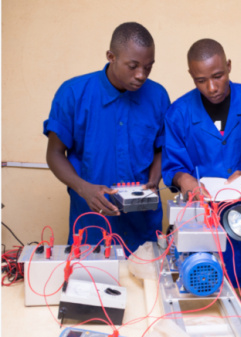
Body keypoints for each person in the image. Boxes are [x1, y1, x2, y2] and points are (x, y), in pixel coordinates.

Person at [161, 38, 241, 333]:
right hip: (203, 229)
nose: (211, 87)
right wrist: (185, 180)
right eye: (201, 80)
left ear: (229, 67)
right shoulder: (179, 113)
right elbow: (172, 166)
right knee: (209, 320)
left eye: (218, 76)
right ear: (191, 77)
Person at [44, 22, 169, 253]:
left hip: (142, 225)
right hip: (92, 225)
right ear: (111, 56)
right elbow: (53, 154)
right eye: (132, 66)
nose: (141, 75)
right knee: (92, 283)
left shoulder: (158, 96)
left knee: (145, 285)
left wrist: (154, 179)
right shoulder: (73, 93)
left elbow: (160, 149)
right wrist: (83, 188)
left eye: (148, 67)